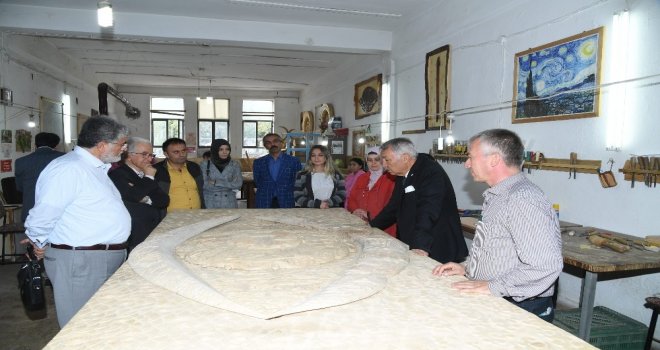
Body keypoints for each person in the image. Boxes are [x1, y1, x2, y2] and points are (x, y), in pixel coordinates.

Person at [432, 129, 563, 322]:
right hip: (499, 299)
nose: (467, 164)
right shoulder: (498, 195)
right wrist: (467, 268)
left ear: (493, 159)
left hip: (521, 308)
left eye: (470, 157)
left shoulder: (522, 198)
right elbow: (497, 250)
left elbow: (545, 265)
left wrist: (492, 287)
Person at [23, 115, 131, 328]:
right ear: (102, 145)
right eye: (121, 144)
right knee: (79, 325)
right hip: (80, 261)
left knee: (101, 323)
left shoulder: (94, 168)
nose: (124, 148)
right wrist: (38, 242)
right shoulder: (68, 168)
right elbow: (45, 212)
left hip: (99, 256)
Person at [369, 138, 467, 263]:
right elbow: (394, 207)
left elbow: (428, 211)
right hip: (414, 239)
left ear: (405, 158)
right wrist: (371, 226)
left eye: (387, 160)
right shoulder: (401, 172)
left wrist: (420, 245)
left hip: (436, 244)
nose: (384, 165)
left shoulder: (430, 172)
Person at [109, 137, 169, 252]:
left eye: (151, 155)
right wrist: (149, 178)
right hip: (134, 233)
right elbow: (133, 196)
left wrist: (146, 199)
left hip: (152, 230)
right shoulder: (118, 174)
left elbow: (164, 200)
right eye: (144, 154)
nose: (149, 159)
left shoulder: (147, 172)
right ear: (129, 155)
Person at [14, 132, 64, 222]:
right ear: (55, 145)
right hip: (59, 212)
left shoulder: (20, 161)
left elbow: (20, 188)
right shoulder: (64, 158)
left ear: (35, 144)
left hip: (30, 211)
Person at [347, 149, 397, 237]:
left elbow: (391, 205)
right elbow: (352, 197)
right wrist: (355, 210)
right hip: (361, 222)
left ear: (383, 160)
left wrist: (369, 214)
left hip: (383, 226)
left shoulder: (391, 179)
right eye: (370, 160)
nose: (373, 162)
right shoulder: (362, 177)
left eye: (377, 159)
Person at [252, 133, 302, 208]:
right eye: (268, 143)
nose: (272, 144)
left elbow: (297, 182)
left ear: (281, 143)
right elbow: (257, 181)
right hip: (264, 200)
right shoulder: (258, 162)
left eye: (275, 141)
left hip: (286, 199)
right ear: (265, 146)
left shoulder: (294, 161)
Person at [154, 138, 205, 210]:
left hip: (196, 215)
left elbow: (201, 191)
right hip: (170, 218)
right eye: (176, 152)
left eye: (183, 151)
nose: (182, 155)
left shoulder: (194, 167)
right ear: (166, 154)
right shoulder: (156, 171)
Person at [200, 139, 243, 208]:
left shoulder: (234, 164)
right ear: (215, 150)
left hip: (229, 202)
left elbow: (238, 184)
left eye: (227, 149)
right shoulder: (205, 164)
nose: (225, 152)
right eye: (221, 149)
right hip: (210, 202)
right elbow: (204, 185)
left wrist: (216, 182)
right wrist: (228, 186)